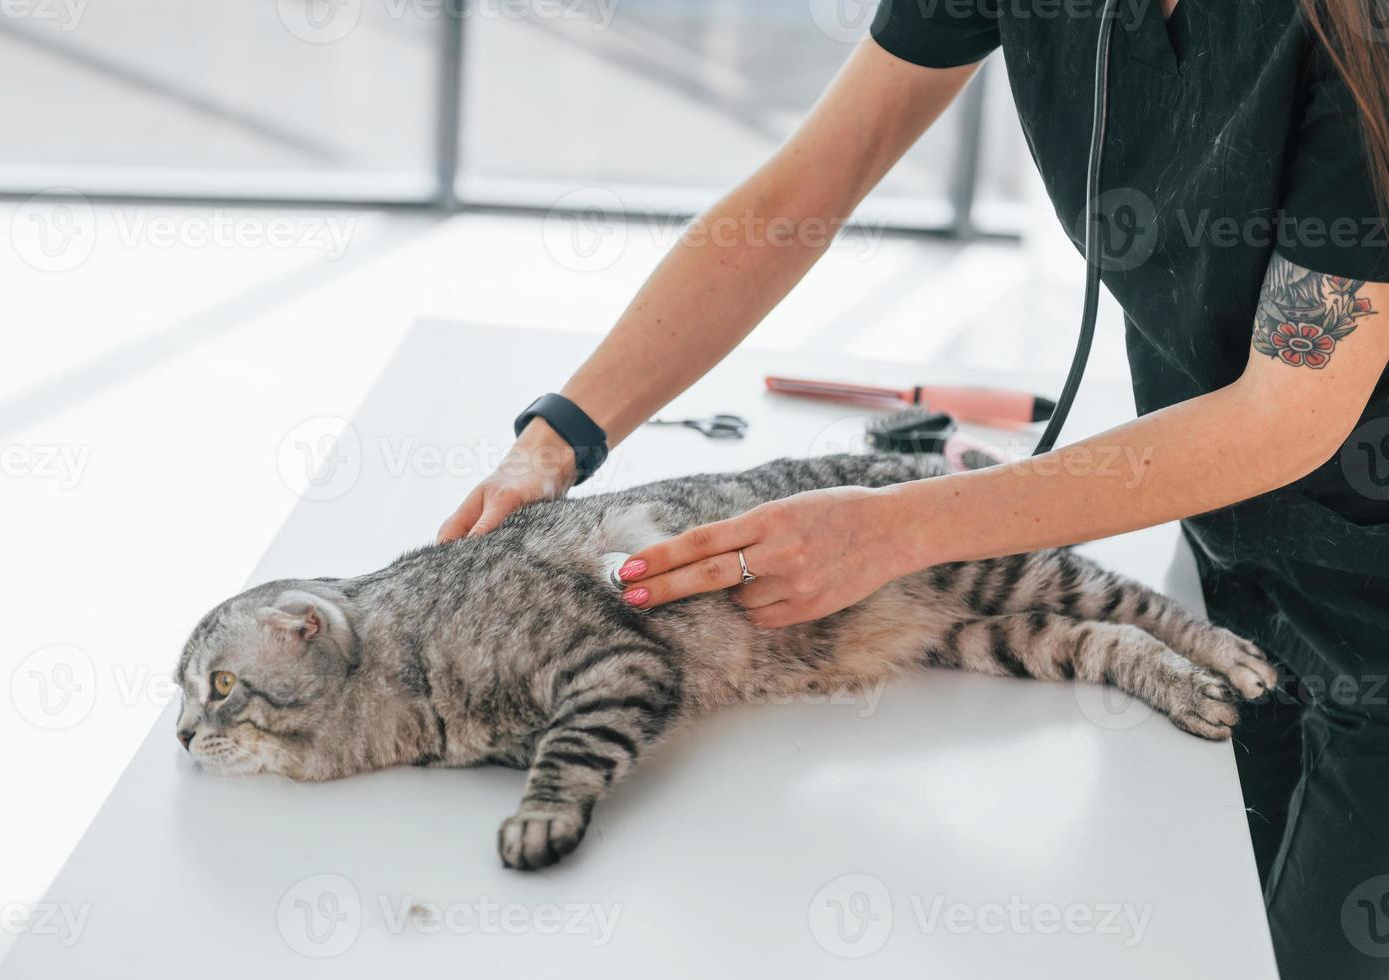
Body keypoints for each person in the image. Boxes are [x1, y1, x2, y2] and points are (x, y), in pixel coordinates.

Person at [439, 2, 1389, 974]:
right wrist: (560, 434)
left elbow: (1291, 413)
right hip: (1231, 560)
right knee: (1206, 927)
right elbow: (808, 185)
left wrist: (897, 528)